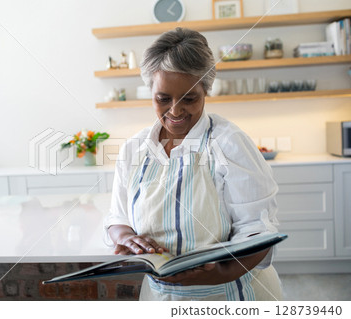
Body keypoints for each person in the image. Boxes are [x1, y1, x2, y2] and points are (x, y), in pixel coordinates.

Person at [104, 27, 282, 301]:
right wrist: (125, 237)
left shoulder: (229, 143)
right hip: (160, 297)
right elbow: (118, 218)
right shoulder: (132, 150)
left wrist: (220, 273)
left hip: (229, 296)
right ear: (150, 90)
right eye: (163, 99)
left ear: (205, 90)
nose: (175, 111)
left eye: (189, 98)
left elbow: (259, 231)